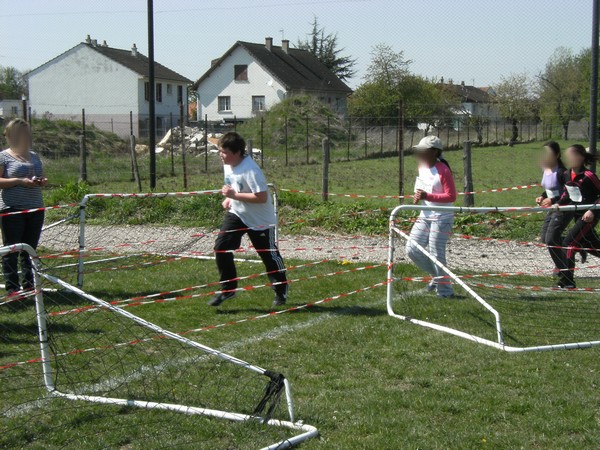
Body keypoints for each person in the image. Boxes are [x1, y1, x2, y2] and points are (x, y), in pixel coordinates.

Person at [209, 132, 287, 307]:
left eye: (224, 152)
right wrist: (229, 198)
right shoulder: (228, 164)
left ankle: (281, 290)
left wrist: (234, 194)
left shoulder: (251, 170)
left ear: (237, 153)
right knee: (221, 248)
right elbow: (232, 185)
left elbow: (261, 197)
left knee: (268, 256)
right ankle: (228, 290)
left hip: (260, 220)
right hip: (238, 213)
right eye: (220, 151)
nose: (221, 155)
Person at [405, 135, 457, 298]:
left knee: (436, 252)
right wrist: (419, 194)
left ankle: (445, 291)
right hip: (425, 215)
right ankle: (436, 277)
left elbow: (451, 196)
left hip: (442, 217)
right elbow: (421, 187)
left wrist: (427, 196)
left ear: (434, 152)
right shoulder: (422, 166)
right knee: (412, 249)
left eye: (423, 150)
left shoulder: (443, 170)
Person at [0, 118, 48, 295]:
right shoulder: (3, 156)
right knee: (11, 250)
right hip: (12, 208)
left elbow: (40, 175)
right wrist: (19, 181)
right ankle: (13, 288)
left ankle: (30, 285)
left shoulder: (33, 156)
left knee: (30, 249)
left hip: (35, 208)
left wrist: (41, 181)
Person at [553, 144, 600, 288]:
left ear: (580, 158)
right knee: (592, 246)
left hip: (590, 216)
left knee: (568, 243)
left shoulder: (589, 176)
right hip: (577, 215)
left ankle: (567, 281)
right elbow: (567, 194)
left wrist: (592, 211)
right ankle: (567, 281)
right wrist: (558, 204)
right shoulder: (567, 174)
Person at [535, 141, 571, 273]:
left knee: (551, 238)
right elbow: (550, 189)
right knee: (545, 237)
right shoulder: (546, 170)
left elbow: (567, 192)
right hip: (552, 207)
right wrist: (542, 196)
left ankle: (562, 268)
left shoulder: (562, 172)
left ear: (557, 155)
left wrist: (553, 199)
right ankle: (571, 244)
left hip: (563, 207)